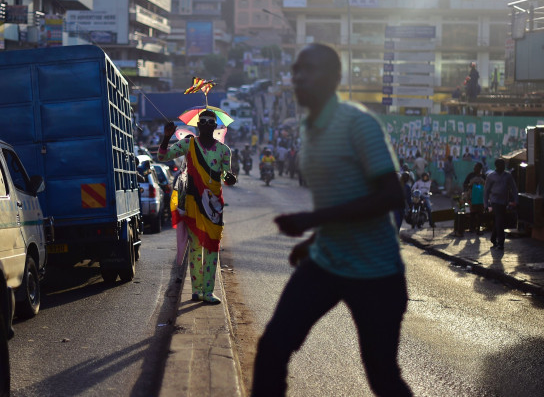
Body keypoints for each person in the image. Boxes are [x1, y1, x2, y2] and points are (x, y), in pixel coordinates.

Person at [252, 43, 411, 397]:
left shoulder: (359, 124)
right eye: (296, 70)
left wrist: (312, 219)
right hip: (326, 262)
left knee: (383, 377)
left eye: (309, 69)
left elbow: (391, 196)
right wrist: (313, 241)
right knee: (272, 349)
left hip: (376, 273)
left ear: (335, 78)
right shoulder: (308, 129)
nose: (298, 77)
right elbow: (342, 198)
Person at [158, 110, 236, 304]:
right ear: (198, 125)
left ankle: (208, 291)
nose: (208, 125)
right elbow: (163, 157)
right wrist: (166, 137)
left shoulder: (224, 151)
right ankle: (196, 290)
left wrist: (231, 178)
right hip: (193, 203)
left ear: (216, 126)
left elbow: (227, 176)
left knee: (211, 247)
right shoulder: (188, 144)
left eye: (212, 122)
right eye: (204, 122)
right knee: (195, 248)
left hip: (214, 206)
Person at [483, 158, 518, 250]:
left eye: (503, 165)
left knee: (499, 220)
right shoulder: (491, 176)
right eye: (500, 165)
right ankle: (501, 242)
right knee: (499, 220)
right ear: (496, 166)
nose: (502, 167)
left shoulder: (508, 176)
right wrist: (486, 204)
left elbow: (513, 188)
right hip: (495, 201)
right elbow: (486, 191)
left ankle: (493, 238)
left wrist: (516, 200)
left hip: (504, 201)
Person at [462, 162, 487, 234]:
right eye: (474, 167)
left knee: (480, 214)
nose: (474, 168)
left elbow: (487, 185)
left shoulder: (483, 176)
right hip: (472, 197)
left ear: (480, 168)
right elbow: (465, 184)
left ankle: (478, 229)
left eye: (476, 167)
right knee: (472, 213)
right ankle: (471, 228)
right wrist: (470, 186)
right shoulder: (471, 175)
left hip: (480, 197)